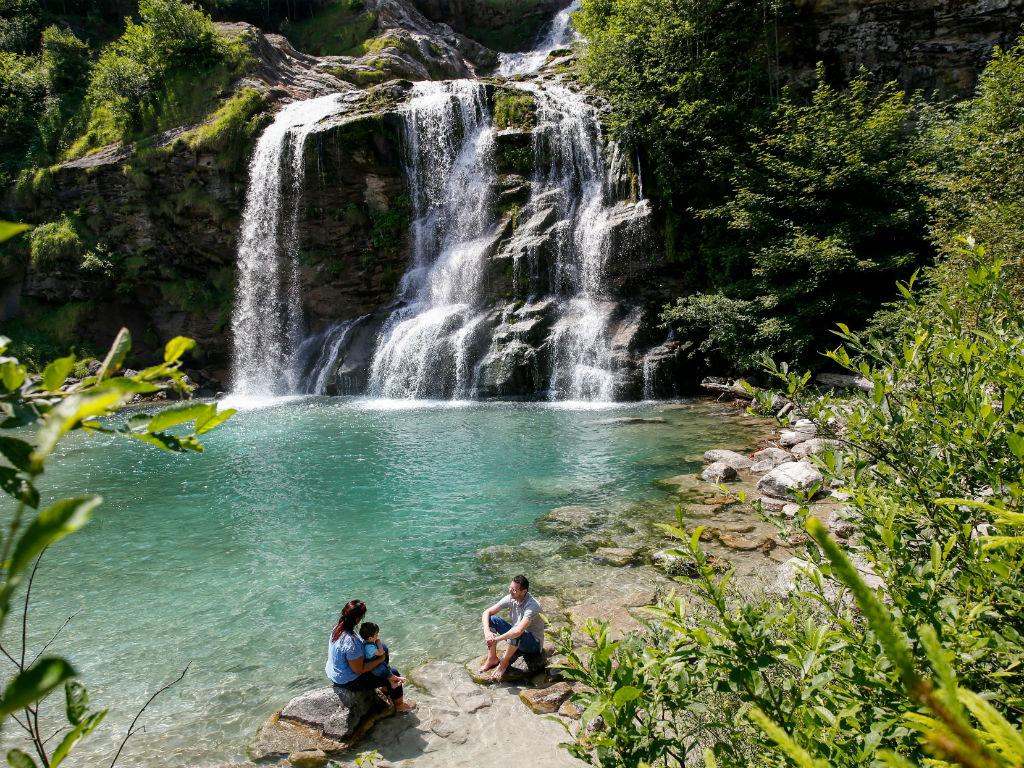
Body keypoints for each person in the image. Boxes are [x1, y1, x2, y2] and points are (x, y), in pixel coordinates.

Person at [326, 600, 416, 712]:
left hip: (336, 671)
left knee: (383, 648)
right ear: (357, 619)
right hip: (348, 681)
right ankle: (400, 706)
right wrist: (381, 660)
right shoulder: (351, 642)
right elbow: (359, 669)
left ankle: (385, 688)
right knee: (394, 673)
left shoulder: (338, 628)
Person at [479, 574, 545, 682]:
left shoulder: (533, 606)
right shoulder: (511, 598)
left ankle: (504, 663)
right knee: (492, 619)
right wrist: (487, 631)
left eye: (514, 590)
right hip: (517, 638)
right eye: (510, 587)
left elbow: (518, 631)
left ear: (524, 592)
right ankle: (492, 659)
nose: (510, 591)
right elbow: (486, 612)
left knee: (516, 630)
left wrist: (497, 639)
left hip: (533, 645)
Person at [359, 621, 406, 691]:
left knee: (387, 672)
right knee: (387, 673)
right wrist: (378, 642)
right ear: (370, 638)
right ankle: (397, 678)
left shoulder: (366, 642)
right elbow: (381, 653)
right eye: (376, 635)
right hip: (375, 668)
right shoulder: (369, 648)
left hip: (373, 662)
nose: (377, 636)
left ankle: (393, 684)